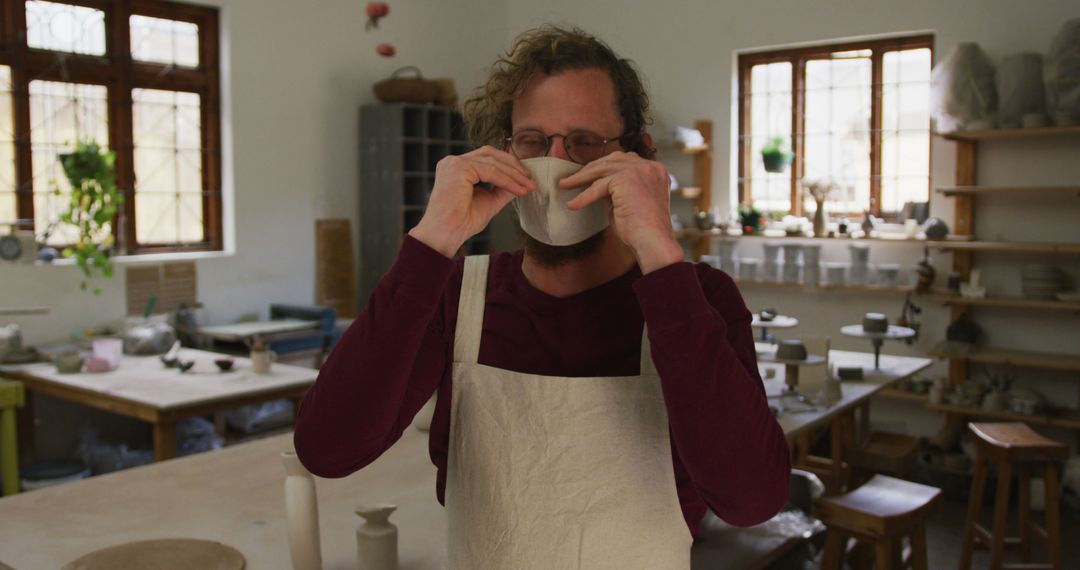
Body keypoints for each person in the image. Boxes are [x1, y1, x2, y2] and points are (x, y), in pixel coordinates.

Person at [294, 25, 790, 568]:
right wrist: (434, 241)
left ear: (637, 156)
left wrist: (658, 250)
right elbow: (328, 450)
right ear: (504, 154)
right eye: (533, 142)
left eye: (584, 142)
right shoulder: (461, 296)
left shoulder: (695, 299)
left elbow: (751, 499)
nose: (555, 165)